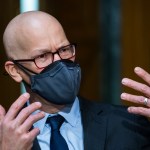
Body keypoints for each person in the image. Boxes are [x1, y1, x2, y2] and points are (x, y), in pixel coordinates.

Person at [0, 11, 150, 150]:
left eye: (64, 50)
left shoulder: (129, 125)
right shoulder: (5, 139)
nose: (60, 63)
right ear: (15, 71)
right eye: (42, 56)